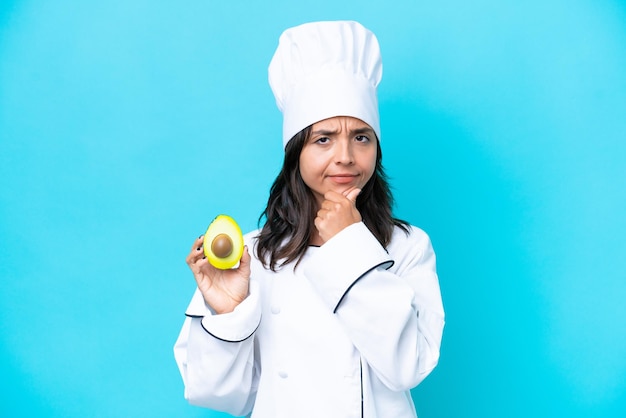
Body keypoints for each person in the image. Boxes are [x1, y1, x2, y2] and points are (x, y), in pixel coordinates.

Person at [174, 20, 445, 418]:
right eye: (323, 138)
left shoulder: (407, 246)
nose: (346, 157)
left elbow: (409, 367)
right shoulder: (252, 255)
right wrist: (230, 314)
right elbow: (214, 394)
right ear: (295, 153)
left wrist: (349, 244)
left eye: (361, 137)